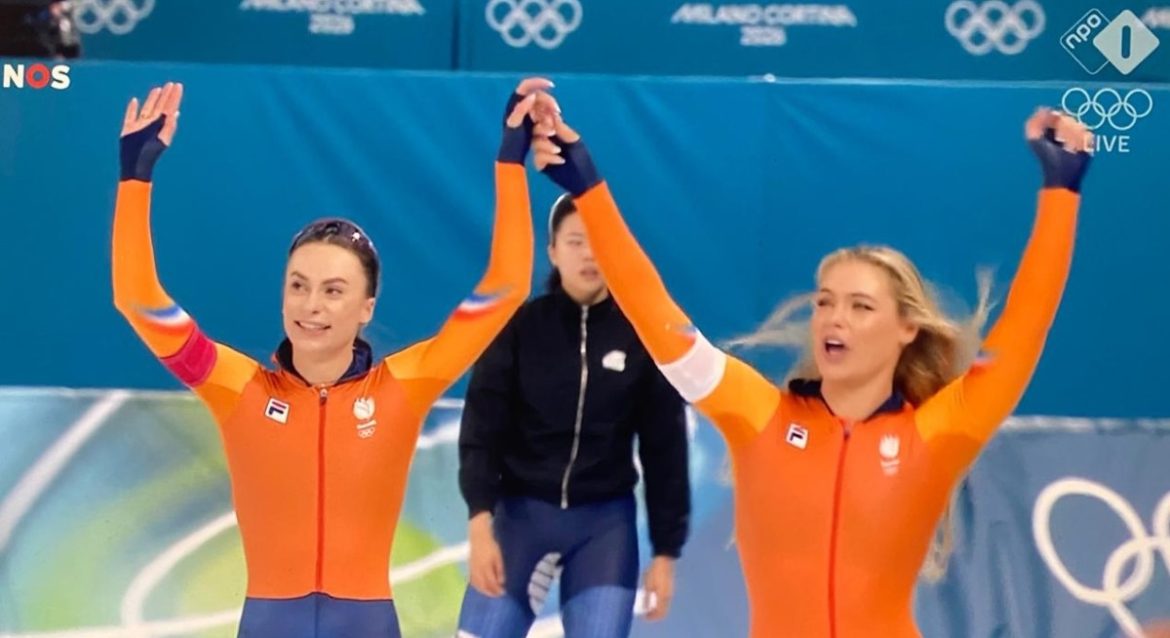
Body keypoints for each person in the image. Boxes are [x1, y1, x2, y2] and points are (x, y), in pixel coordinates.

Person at [530, 101, 1093, 637]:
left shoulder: (935, 433)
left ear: (907, 329)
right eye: (825, 301)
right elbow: (658, 319)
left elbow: (1025, 326)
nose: (834, 318)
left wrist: (1061, 193)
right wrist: (589, 190)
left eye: (860, 306)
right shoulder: (759, 416)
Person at [110, 78, 557, 637]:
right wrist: (135, 176)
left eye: (333, 290)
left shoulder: (404, 385)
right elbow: (137, 301)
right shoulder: (239, 388)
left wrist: (510, 162)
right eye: (298, 285)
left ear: (367, 307)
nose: (311, 305)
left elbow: (506, 289)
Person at [456, 193, 691, 637]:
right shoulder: (519, 328)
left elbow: (665, 447)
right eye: (576, 242)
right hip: (521, 514)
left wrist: (666, 552)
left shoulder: (643, 336)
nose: (589, 254)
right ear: (552, 251)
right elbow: (481, 430)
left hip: (603, 525)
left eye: (600, 241)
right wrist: (480, 521)